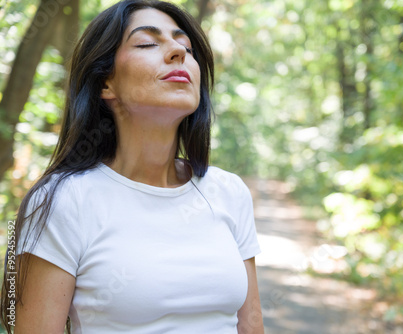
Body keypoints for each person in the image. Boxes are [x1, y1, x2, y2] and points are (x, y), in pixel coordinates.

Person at [0, 1, 264, 333]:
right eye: (147, 43)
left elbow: (251, 323)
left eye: (186, 47)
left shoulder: (229, 192)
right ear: (104, 84)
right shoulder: (62, 200)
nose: (177, 53)